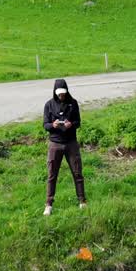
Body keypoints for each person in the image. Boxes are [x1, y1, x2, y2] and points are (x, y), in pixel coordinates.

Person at [42, 78, 86, 215]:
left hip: (71, 142)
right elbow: (45, 125)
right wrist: (52, 125)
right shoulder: (49, 105)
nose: (62, 96)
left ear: (67, 91)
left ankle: (82, 201)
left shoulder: (73, 103)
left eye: (64, 93)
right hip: (55, 143)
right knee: (52, 175)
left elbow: (78, 122)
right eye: (59, 94)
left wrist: (71, 124)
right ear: (55, 92)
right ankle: (49, 204)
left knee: (77, 172)